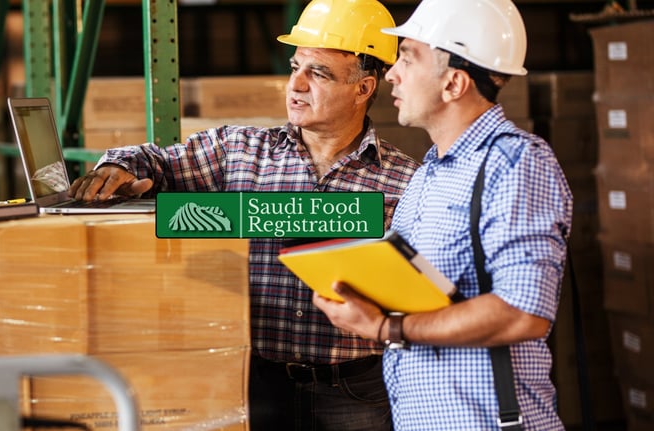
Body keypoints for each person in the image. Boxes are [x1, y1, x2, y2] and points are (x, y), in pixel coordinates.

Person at [68, 1, 419, 429]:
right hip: (253, 382)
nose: (296, 85)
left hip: (354, 388)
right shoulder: (239, 151)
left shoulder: (407, 181)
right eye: (295, 67)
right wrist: (117, 168)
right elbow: (153, 161)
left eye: (318, 73)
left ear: (363, 88)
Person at [312, 0, 573, 429]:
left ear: (453, 83)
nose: (391, 73)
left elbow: (523, 312)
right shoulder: (429, 173)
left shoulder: (515, 163)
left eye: (409, 58)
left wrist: (386, 328)